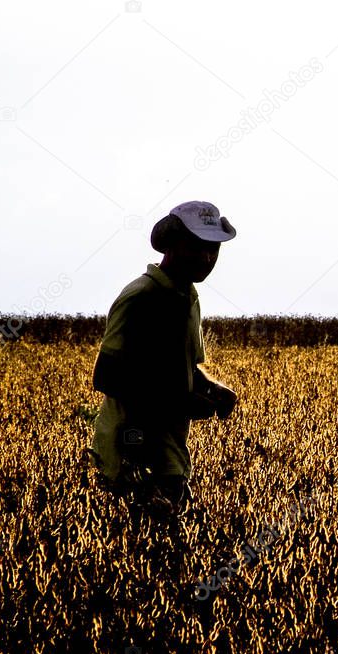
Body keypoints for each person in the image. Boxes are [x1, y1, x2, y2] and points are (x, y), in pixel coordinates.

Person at [89, 200, 239, 525]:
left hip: (167, 452)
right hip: (130, 451)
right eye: (196, 247)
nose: (207, 258)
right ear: (171, 245)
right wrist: (179, 404)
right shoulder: (142, 296)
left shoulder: (188, 297)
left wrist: (214, 389)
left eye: (213, 249)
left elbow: (185, 367)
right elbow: (106, 376)